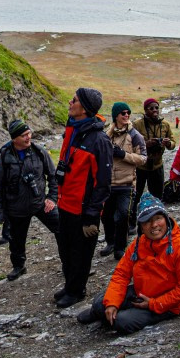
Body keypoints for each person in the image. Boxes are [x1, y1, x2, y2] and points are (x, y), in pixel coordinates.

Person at [77, 194, 180, 334]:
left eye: (158, 218)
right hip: (140, 292)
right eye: (147, 221)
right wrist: (112, 303)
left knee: (121, 321)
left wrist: (153, 304)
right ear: (141, 226)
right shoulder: (138, 244)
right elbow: (121, 274)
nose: (154, 225)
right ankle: (101, 312)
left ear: (166, 219)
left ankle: (111, 315)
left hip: (166, 303)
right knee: (101, 303)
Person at [54, 87, 113, 308]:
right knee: (66, 249)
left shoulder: (98, 140)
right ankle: (71, 284)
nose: (70, 102)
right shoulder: (73, 131)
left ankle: (76, 291)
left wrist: (91, 215)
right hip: (65, 203)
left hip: (82, 209)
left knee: (80, 252)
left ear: (85, 109)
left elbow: (103, 182)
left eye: (75, 100)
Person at [0, 119, 60, 282]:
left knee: (61, 228)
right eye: (24, 135)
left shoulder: (39, 151)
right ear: (15, 138)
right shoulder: (4, 157)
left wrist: (52, 197)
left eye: (29, 133)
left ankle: (68, 261)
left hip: (40, 203)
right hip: (16, 208)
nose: (29, 137)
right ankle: (19, 267)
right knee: (16, 241)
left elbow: (53, 176)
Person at [101, 102, 147, 260]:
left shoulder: (135, 135)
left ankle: (120, 247)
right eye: (123, 113)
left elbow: (143, 159)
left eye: (128, 112)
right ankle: (110, 242)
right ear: (116, 116)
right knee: (106, 216)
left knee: (122, 216)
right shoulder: (107, 135)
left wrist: (123, 155)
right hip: (108, 184)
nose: (126, 115)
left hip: (126, 184)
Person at [131, 98, 175, 230]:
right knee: (136, 195)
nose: (155, 110)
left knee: (157, 195)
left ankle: (158, 222)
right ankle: (132, 223)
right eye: (151, 108)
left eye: (156, 107)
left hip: (157, 165)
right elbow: (131, 143)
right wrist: (146, 143)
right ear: (145, 110)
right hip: (141, 166)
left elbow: (173, 143)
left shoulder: (165, 124)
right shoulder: (137, 124)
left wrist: (168, 143)